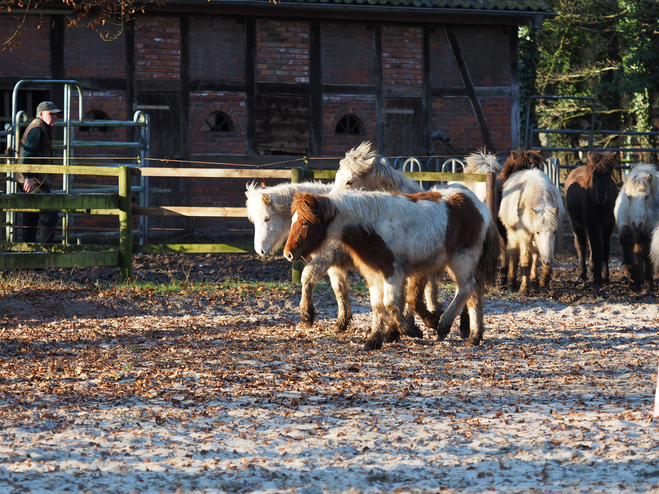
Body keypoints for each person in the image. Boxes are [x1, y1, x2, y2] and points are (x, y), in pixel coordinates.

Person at [19, 101, 61, 243]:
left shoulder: (40, 127)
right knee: (49, 215)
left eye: (55, 114)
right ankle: (43, 255)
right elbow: (27, 155)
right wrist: (28, 177)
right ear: (41, 114)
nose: (54, 117)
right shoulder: (37, 129)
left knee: (30, 218)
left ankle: (27, 257)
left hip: (33, 179)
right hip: (35, 181)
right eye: (51, 114)